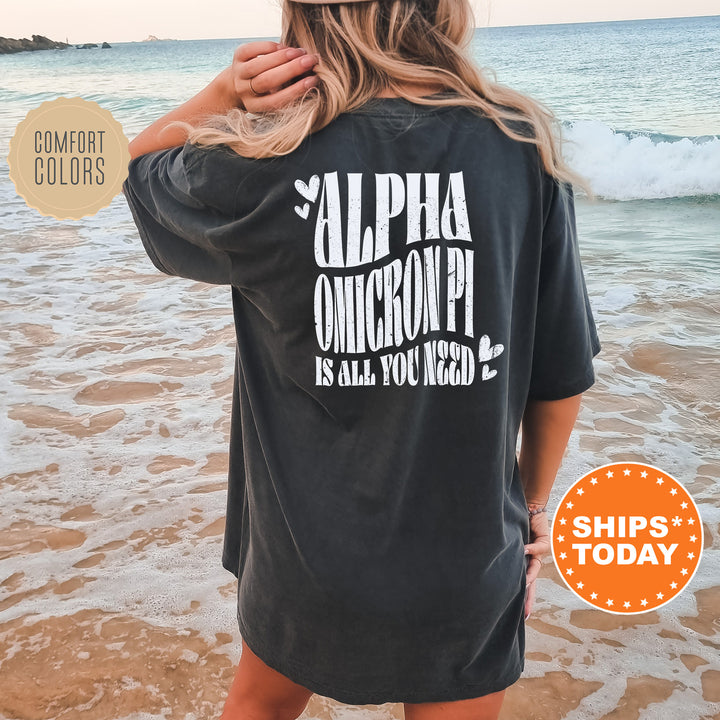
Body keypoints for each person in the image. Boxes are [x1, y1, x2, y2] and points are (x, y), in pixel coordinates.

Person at [121, 0, 601, 718]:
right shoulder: (520, 146)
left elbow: (133, 168)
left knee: (259, 704)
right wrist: (533, 510)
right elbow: (561, 376)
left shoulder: (261, 158)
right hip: (464, 555)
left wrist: (225, 95)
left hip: (302, 557)